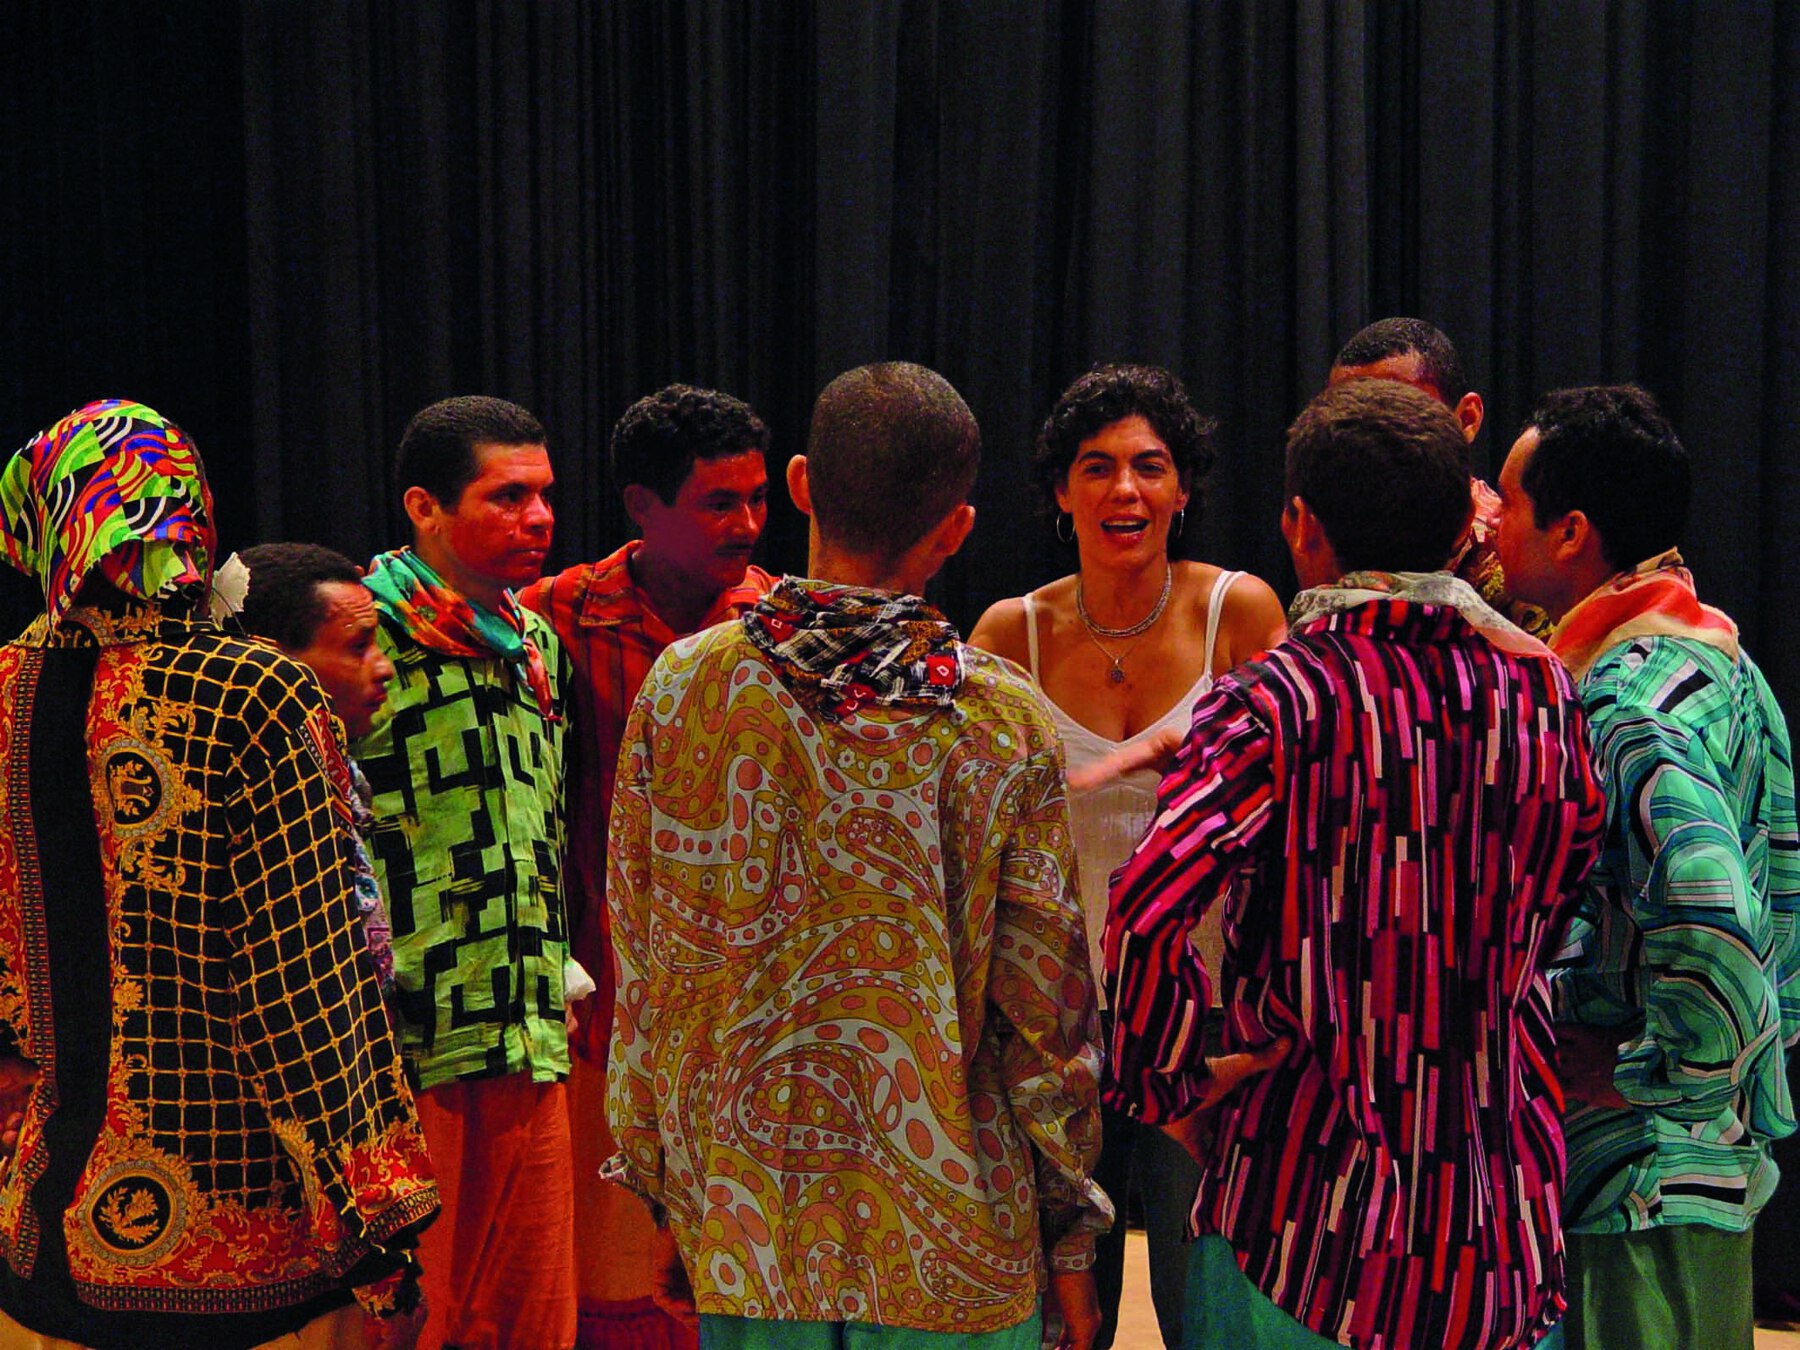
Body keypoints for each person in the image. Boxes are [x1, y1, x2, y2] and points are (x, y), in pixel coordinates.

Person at [604, 362, 1114, 1349]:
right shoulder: (1001, 721)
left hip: (749, 1220)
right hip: (958, 1237)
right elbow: (1045, 1014)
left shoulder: (685, 689)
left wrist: (668, 1186)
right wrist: (1072, 1241)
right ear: (957, 528)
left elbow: (650, 968)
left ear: (798, 484)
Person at [1104, 379, 1606, 1349]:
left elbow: (1148, 905)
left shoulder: (1272, 705)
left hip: (1306, 1214)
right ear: (1465, 525)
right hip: (1499, 1220)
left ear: (1302, 527)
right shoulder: (1545, 696)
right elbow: (1569, 881)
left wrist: (1166, 1087)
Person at [0, 400, 437, 1348]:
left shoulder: (8, 686)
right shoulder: (250, 689)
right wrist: (379, 1227)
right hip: (242, 1244)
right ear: (189, 519)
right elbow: (307, 982)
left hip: (41, 1236)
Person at [968, 362, 1284, 1348]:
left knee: (1211, 1305)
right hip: (1057, 1023)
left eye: (1150, 468)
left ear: (1183, 488)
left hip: (1207, 1020)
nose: (1124, 492)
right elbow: (983, 855)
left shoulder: (1240, 611)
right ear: (1062, 492)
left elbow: (1289, 830)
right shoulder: (1006, 632)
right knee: (1068, 1320)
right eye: (1096, 468)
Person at [1493, 384, 1800, 1350]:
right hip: (1700, 1161)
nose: (1491, 526)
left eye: (1508, 505)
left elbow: (1714, 921)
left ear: (1573, 531)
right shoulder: (1716, 659)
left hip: (1639, 1173)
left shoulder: (1628, 701)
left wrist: (1648, 1070)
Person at [519, 385, 774, 1349]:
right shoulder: (557, 620)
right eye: (720, 502)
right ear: (642, 506)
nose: (747, 523)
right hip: (609, 1017)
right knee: (612, 1292)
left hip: (749, 1024)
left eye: (757, 498)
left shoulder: (783, 628)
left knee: (736, 1287)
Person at [354, 395, 576, 1350]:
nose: (537, 519)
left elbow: (547, 826)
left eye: (544, 496)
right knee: (416, 1319)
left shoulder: (537, 644)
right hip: (413, 1029)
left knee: (532, 1317)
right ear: (424, 507)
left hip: (526, 1024)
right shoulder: (362, 639)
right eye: (507, 496)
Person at [233, 541, 399, 1000]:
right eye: (358, 646)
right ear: (274, 662)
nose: (384, 667)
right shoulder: (259, 805)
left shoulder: (342, 779)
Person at [1329, 316, 1550, 637]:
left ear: (1467, 418)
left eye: (1397, 418)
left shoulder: (1514, 554)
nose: (1367, 444)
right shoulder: (1328, 533)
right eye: (1346, 423)